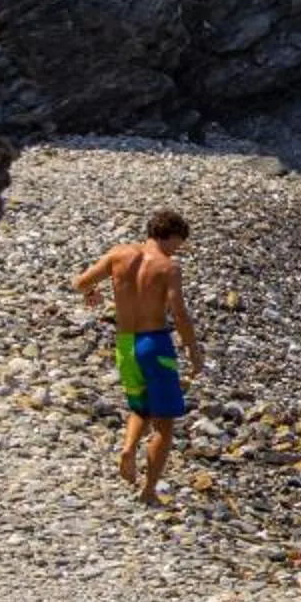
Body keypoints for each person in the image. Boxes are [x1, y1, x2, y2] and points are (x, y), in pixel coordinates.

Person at [74, 210, 200, 505]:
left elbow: (80, 282)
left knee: (140, 406)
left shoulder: (119, 255)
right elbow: (178, 312)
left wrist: (90, 292)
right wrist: (193, 349)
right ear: (170, 236)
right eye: (177, 244)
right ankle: (148, 490)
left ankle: (128, 448)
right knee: (165, 425)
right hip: (154, 343)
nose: (177, 250)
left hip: (125, 344)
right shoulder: (168, 267)